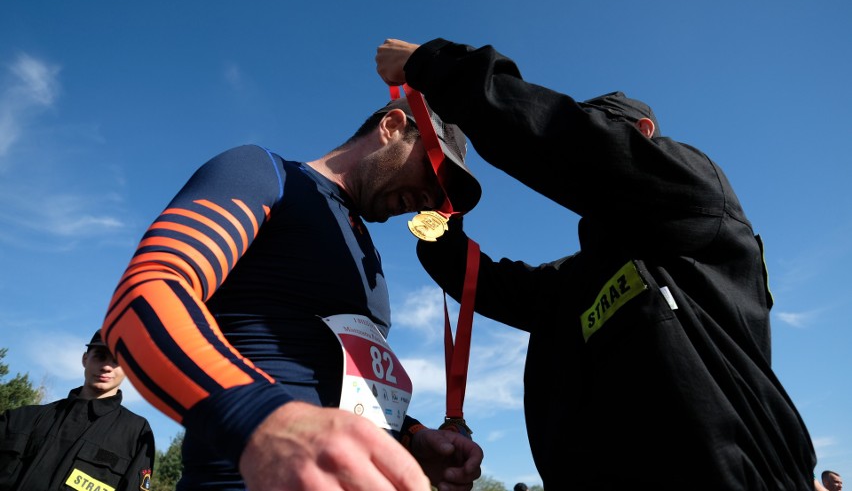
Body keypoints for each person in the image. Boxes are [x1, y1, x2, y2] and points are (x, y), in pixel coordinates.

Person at [375, 37, 818, 490]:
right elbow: (479, 281)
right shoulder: (571, 280)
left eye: (603, 129)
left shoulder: (698, 193)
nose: (591, 145)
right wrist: (439, 211)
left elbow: (564, 140)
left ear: (643, 131)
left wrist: (435, 66)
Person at [101, 99, 484, 491]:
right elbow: (147, 292)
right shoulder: (265, 172)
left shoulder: (367, 254)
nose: (431, 200)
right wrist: (266, 422)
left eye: (443, 199)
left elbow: (336, 384)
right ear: (392, 125)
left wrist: (410, 440)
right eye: (434, 172)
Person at [0, 330, 155, 491]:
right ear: (85, 359)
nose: (107, 367)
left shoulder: (136, 434)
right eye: (100, 356)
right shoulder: (20, 419)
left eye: (116, 360)